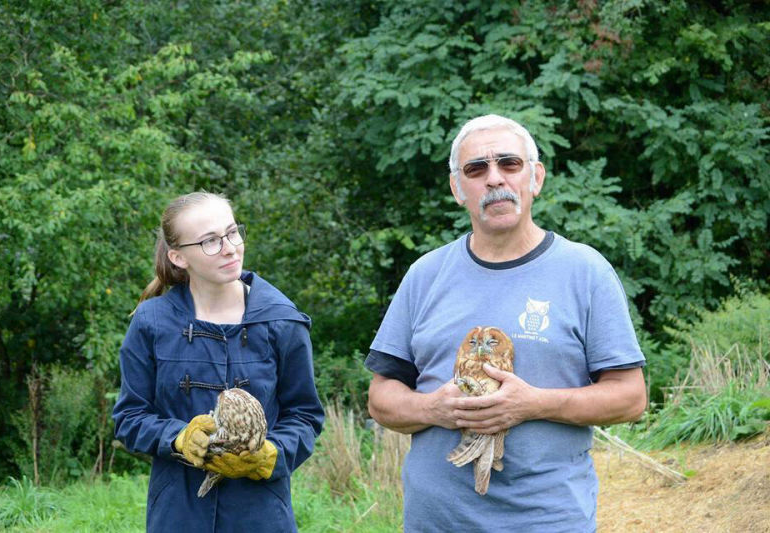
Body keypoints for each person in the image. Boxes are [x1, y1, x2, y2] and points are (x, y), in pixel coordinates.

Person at [365, 115, 647, 532]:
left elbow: (630, 397)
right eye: (476, 169)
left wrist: (534, 404)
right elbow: (382, 398)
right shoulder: (425, 275)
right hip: (437, 521)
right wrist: (434, 408)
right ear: (458, 189)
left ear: (535, 177)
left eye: (509, 164)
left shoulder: (584, 271)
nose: (494, 178)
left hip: (545, 520)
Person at [112, 192, 323, 532]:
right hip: (177, 514)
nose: (229, 247)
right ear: (178, 257)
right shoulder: (151, 322)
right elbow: (129, 418)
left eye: (232, 232)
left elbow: (305, 416)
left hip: (261, 514)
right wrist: (178, 437)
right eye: (210, 241)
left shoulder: (282, 322)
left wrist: (271, 454)